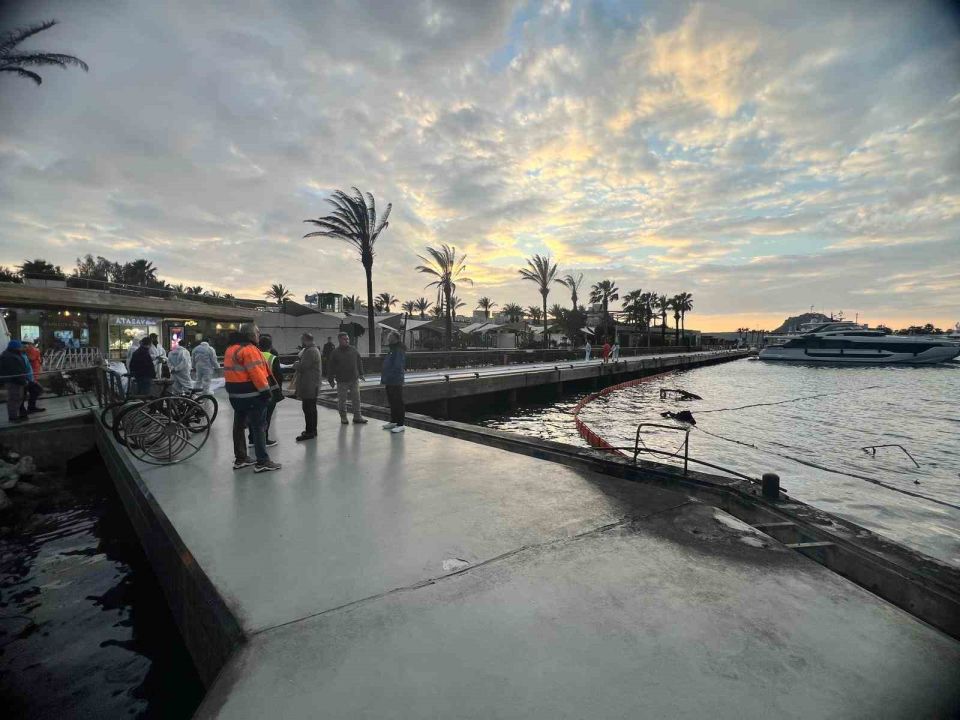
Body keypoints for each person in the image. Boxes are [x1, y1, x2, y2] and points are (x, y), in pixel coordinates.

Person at [224, 323, 281, 473]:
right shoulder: (249, 349)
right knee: (258, 427)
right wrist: (266, 393)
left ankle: (241, 458)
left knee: (238, 426)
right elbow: (257, 374)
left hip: (236, 396)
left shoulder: (231, 349)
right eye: (257, 332)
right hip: (252, 396)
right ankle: (262, 461)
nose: (258, 335)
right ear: (251, 335)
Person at [327, 332, 366, 425]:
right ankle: (343, 417)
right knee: (342, 400)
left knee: (356, 399)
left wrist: (361, 373)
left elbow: (359, 361)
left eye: (348, 339)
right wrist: (330, 379)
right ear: (340, 340)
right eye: (345, 339)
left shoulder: (353, 350)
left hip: (354, 379)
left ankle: (357, 416)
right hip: (342, 380)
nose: (347, 340)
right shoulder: (335, 352)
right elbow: (330, 367)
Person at [250, 335, 282, 447]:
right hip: (269, 392)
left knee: (254, 416)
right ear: (270, 346)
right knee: (266, 417)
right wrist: (279, 393)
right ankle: (265, 438)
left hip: (255, 390)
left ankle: (252, 439)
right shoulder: (273, 358)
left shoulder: (254, 356)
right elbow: (278, 377)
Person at [294, 333, 321, 441]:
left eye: (302, 340)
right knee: (312, 409)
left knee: (308, 408)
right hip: (312, 383)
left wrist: (296, 365)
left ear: (305, 340)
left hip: (309, 384)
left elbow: (303, 367)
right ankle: (312, 430)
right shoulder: (313, 350)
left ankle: (309, 432)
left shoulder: (310, 351)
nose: (302, 343)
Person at [380, 332, 406, 433]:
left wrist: (389, 375)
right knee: (392, 401)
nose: (388, 338)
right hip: (389, 380)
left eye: (390, 337)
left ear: (395, 338)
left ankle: (400, 424)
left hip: (396, 380)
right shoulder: (392, 349)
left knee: (398, 402)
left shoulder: (398, 350)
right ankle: (394, 421)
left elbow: (397, 366)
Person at [2, 340, 30, 423]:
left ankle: (14, 416)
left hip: (15, 380)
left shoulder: (12, 354)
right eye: (20, 347)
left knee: (16, 398)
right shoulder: (11, 357)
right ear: (16, 347)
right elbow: (16, 371)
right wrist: (23, 381)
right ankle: (13, 417)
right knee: (14, 398)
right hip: (14, 381)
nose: (22, 348)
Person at [22, 340, 45, 414]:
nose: (25, 347)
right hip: (29, 376)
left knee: (33, 391)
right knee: (36, 390)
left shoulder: (26, 352)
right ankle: (28, 408)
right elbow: (31, 359)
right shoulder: (31, 351)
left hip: (31, 374)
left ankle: (30, 408)